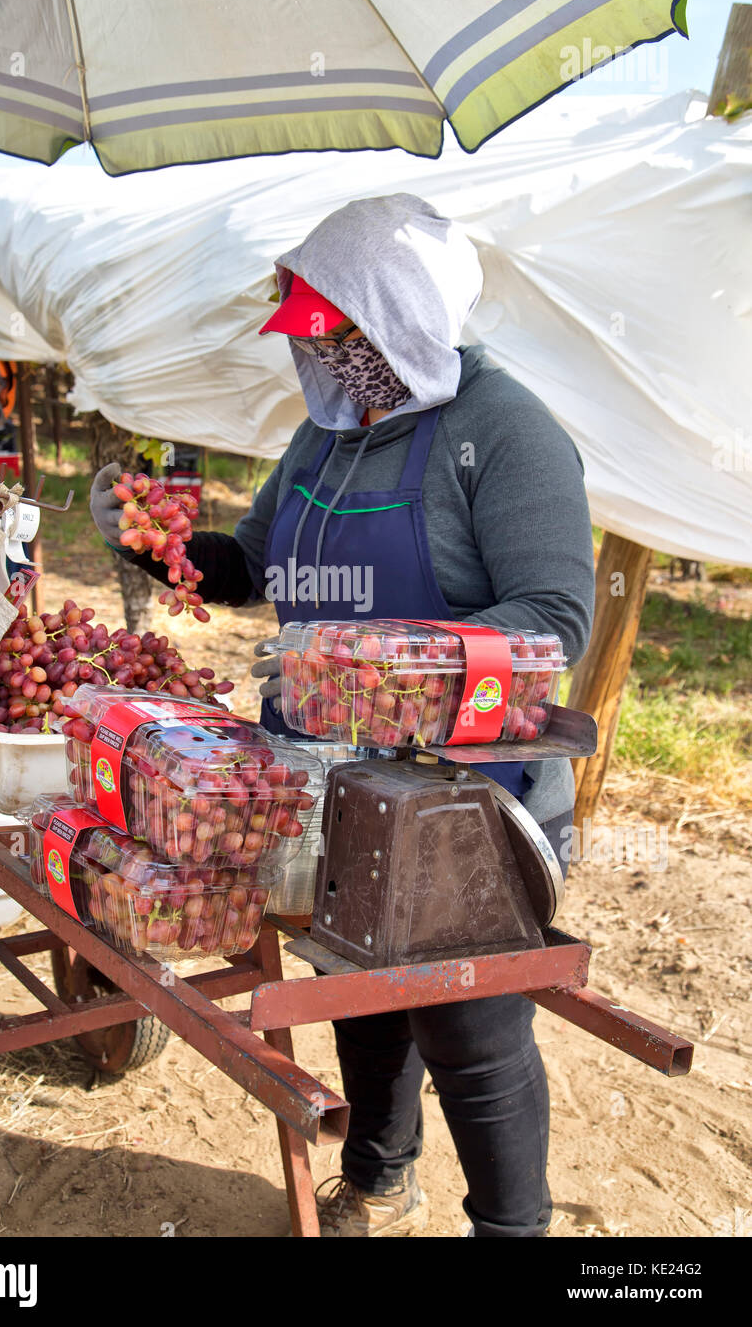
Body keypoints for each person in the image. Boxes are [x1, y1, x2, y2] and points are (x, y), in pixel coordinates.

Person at [91, 193, 595, 1238]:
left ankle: (514, 1229)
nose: (320, 363)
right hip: (330, 779)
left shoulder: (501, 432)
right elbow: (249, 562)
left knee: (466, 1021)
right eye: (311, 343)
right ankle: (376, 1174)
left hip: (467, 796)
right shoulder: (322, 440)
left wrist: (382, 664)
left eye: (336, 339)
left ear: (398, 319)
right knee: (358, 983)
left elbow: (551, 620)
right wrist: (159, 544)